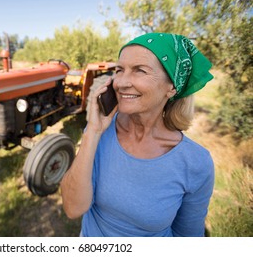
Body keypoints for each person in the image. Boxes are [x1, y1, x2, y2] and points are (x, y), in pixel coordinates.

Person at [60, 33, 215, 237]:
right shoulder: (101, 131)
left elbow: (188, 237)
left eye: (139, 70)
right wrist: (92, 132)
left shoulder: (195, 163)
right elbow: (73, 208)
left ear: (172, 88)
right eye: (119, 70)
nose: (121, 83)